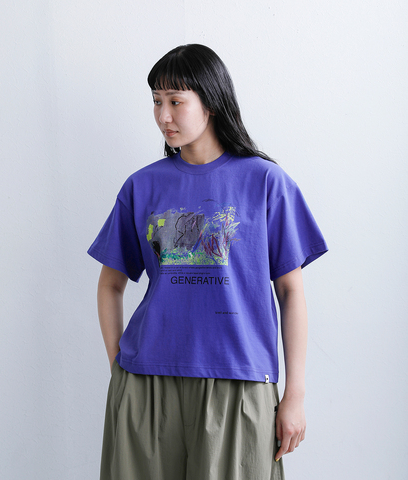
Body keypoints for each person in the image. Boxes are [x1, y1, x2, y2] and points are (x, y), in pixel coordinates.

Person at [88, 44, 328, 480]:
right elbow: (110, 284)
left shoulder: (266, 182)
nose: (163, 116)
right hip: (146, 380)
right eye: (156, 102)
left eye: (175, 101)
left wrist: (295, 394)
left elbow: (291, 292)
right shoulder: (142, 187)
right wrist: (117, 366)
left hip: (240, 380)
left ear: (211, 102)